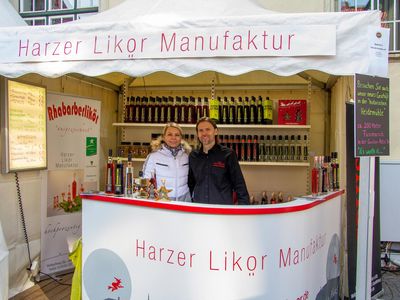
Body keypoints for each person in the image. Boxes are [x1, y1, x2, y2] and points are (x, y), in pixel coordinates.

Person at [188, 117, 250, 205]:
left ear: (215, 131)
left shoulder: (228, 154)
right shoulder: (193, 156)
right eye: (200, 130)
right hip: (199, 208)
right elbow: (190, 184)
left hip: (222, 209)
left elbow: (239, 184)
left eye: (208, 129)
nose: (204, 133)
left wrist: (244, 210)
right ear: (197, 134)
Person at [142, 122, 191, 202]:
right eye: (169, 134)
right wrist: (154, 195)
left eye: (177, 135)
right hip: (163, 199)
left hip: (185, 199)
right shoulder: (154, 156)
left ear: (181, 138)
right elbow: (146, 179)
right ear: (164, 137)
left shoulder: (187, 155)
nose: (173, 138)